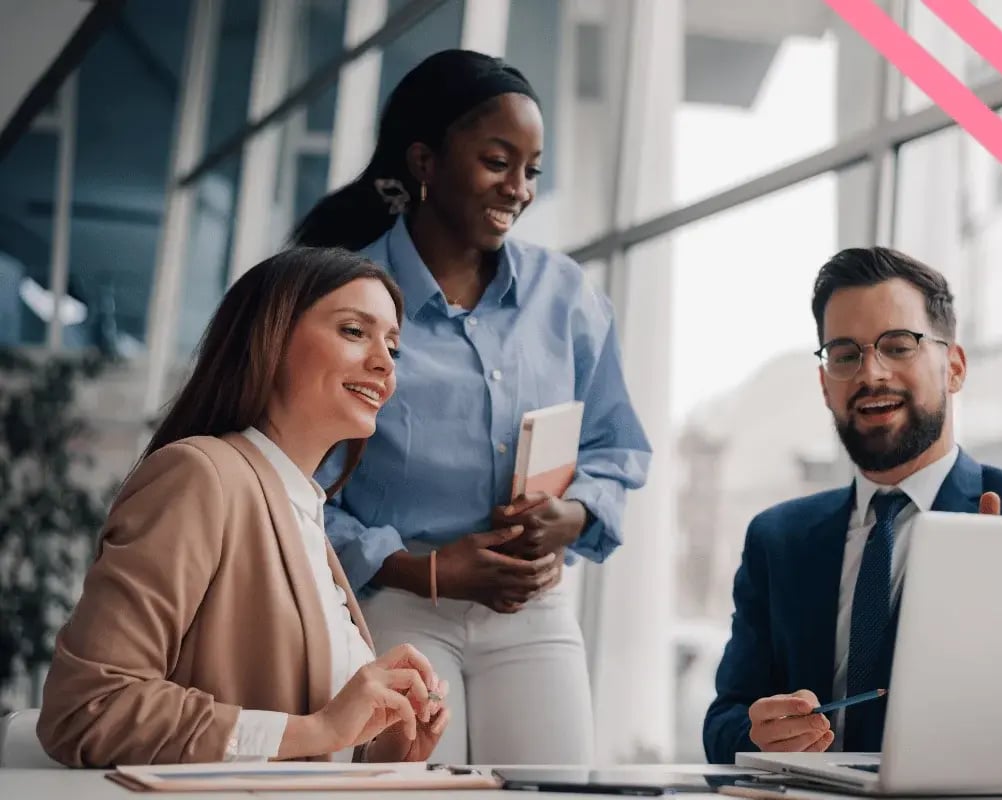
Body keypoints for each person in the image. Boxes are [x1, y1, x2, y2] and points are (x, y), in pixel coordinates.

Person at [290, 49, 651, 765]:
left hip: (533, 610)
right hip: (395, 607)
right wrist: (420, 569)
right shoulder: (344, 299)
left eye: (532, 169)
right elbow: (295, 488)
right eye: (497, 161)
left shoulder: (567, 296)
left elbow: (617, 448)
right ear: (425, 161)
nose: (519, 189)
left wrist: (570, 516)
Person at [36, 247, 451, 767]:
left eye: (393, 345)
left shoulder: (302, 514)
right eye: (353, 331)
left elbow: (303, 744)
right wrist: (318, 729)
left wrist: (387, 746)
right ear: (272, 340)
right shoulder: (201, 475)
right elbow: (88, 709)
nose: (384, 362)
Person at [702, 246, 1002, 764]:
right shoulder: (779, 539)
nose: (871, 374)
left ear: (953, 367)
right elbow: (725, 717)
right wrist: (758, 734)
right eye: (845, 354)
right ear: (825, 385)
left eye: (898, 345)